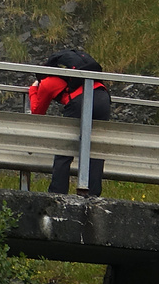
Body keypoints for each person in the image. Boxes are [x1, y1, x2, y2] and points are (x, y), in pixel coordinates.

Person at [28, 48, 112, 196]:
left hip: (79, 101)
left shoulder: (47, 82)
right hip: (102, 96)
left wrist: (33, 89)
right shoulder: (76, 74)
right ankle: (92, 195)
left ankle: (57, 192)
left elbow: (37, 111)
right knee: (96, 149)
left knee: (64, 149)